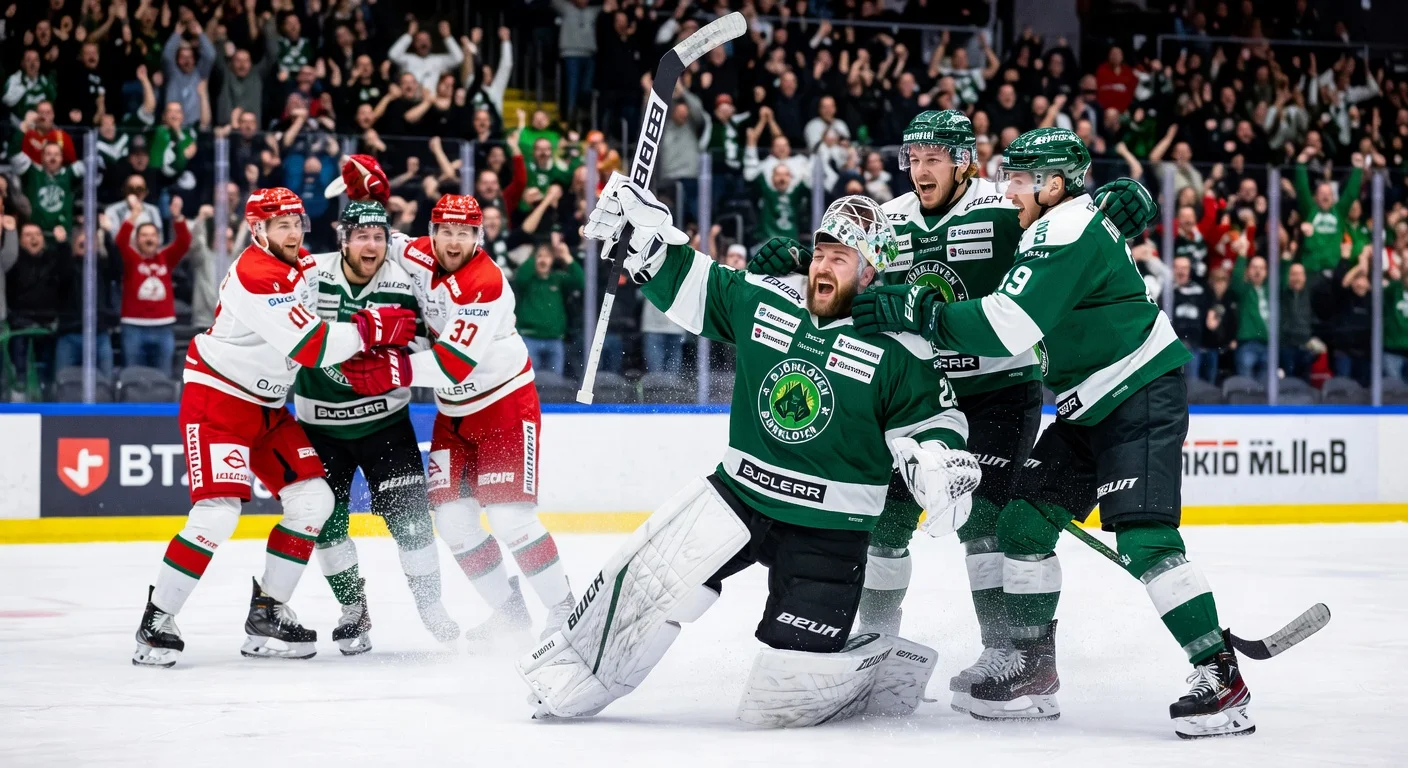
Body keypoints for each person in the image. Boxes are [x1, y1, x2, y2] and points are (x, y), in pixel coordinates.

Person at [519, 180, 979, 727]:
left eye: (841, 258)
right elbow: (697, 285)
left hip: (830, 526)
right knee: (644, 589)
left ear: (869, 272)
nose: (823, 266)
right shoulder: (769, 299)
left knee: (785, 696)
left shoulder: (898, 345)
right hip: (737, 494)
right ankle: (575, 673)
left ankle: (876, 658)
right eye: (821, 253)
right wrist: (646, 243)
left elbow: (937, 421)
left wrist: (939, 458)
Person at [747, 111, 1156, 714]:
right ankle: (876, 643)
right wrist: (796, 257)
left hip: (999, 389)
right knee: (885, 523)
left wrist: (1118, 203)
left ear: (964, 162)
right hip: (923, 397)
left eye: (933, 158)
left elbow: (1069, 228)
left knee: (983, 521)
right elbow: (850, 267)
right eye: (912, 159)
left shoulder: (1004, 206)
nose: (919, 170)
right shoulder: (891, 219)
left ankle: (1006, 652)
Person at [854, 127, 1255, 739]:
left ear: (1053, 184)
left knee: (1146, 539)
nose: (1008, 189)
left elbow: (1008, 325)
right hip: (1086, 405)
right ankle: (1033, 671)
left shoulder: (1063, 228)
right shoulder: (1052, 220)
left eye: (1019, 179)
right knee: (1023, 523)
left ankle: (1220, 675)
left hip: (1138, 389)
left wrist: (920, 312)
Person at [131, 187, 419, 668]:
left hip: (267, 407)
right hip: (220, 401)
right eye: (280, 224)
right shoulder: (257, 274)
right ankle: (157, 618)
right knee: (217, 514)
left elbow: (361, 256)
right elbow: (313, 348)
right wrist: (371, 328)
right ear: (258, 230)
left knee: (314, 501)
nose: (292, 233)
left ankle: (268, 611)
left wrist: (370, 203)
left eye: (296, 223)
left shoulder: (301, 264)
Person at [342, 184, 576, 647]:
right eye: (446, 231)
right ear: (432, 233)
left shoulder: (485, 283)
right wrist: (367, 197)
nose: (454, 241)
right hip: (453, 414)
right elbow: (377, 239)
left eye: (465, 233)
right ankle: (510, 615)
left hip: (503, 406)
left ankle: (567, 611)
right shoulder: (415, 253)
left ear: (479, 238)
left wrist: (392, 369)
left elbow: (453, 364)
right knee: (452, 522)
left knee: (510, 518)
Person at [294, 200, 462, 654]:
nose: (371, 246)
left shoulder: (404, 279)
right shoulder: (310, 274)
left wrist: (404, 353)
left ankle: (431, 606)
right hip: (320, 428)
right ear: (343, 239)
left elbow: (435, 340)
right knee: (325, 523)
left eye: (379, 237)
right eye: (361, 236)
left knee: (412, 523)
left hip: (386, 425)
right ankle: (353, 610)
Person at [116, 196, 191, 373]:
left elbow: (184, 242)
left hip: (163, 328)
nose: (149, 239)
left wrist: (178, 217)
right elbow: (120, 242)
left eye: (152, 235)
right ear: (136, 240)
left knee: (163, 377)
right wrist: (134, 215)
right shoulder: (131, 259)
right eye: (144, 235)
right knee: (133, 376)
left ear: (158, 238)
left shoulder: (165, 258)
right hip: (134, 327)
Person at [513, 239, 584, 376]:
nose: (543, 260)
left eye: (547, 256)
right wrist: (534, 256)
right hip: (530, 338)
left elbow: (580, 281)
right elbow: (521, 277)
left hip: (555, 339)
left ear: (553, 260)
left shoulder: (558, 279)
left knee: (556, 382)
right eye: (540, 256)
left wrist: (566, 256)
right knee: (529, 380)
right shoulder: (528, 280)